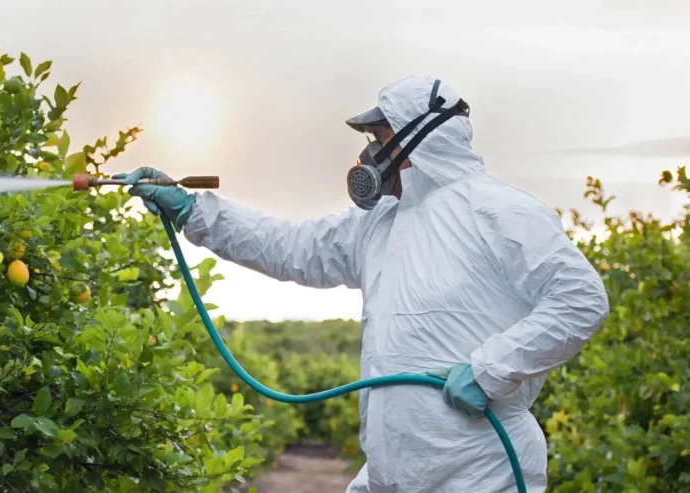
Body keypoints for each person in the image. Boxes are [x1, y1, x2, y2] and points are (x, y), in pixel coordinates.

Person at [114, 75, 610, 492]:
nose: (368, 152)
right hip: (393, 474)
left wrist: (490, 370)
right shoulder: (381, 225)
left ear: (415, 142)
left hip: (480, 473)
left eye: (378, 137)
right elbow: (290, 246)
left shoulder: (501, 212)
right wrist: (193, 211)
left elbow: (580, 299)